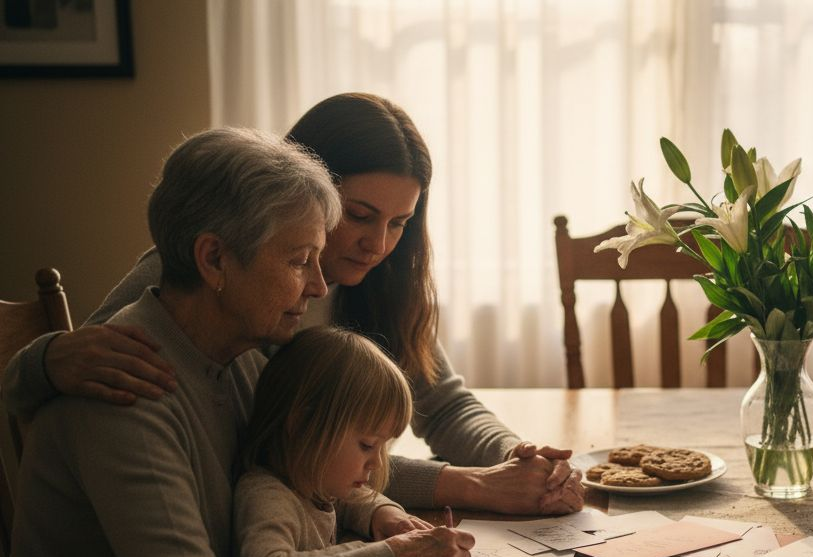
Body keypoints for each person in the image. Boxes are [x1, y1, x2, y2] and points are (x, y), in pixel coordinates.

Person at [0, 128, 474, 557]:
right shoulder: (125, 383)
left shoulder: (246, 354)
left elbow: (311, 465)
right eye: (299, 261)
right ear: (215, 260)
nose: (317, 287)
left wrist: (380, 507)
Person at [1, 92, 582, 517]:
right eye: (357, 216)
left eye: (399, 224)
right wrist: (47, 358)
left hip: (325, 528)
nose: (377, 245)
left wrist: (517, 461)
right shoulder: (204, 279)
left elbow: (444, 404)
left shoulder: (379, 279)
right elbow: (294, 456)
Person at [233, 325, 430, 557]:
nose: (377, 462)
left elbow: (351, 501)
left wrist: (384, 513)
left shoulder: (314, 484)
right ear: (303, 423)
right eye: (367, 445)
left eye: (382, 446)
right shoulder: (268, 498)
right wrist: (380, 555)